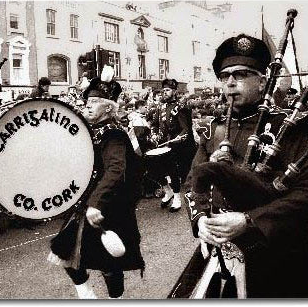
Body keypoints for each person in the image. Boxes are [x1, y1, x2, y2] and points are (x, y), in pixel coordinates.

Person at [170, 33, 308, 298]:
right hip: (218, 251)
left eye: (242, 74)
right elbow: (192, 181)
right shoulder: (214, 129)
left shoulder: (292, 129)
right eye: (225, 76)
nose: (230, 82)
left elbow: (303, 194)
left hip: (274, 254)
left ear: (262, 82)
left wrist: (249, 221)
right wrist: (199, 220)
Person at [48, 77, 145, 299]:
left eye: (94, 101)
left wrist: (96, 203)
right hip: (87, 203)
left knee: (109, 263)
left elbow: (116, 170)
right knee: (65, 251)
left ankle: (115, 300)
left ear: (108, 107)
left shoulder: (113, 133)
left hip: (107, 206)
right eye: (87, 101)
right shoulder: (89, 131)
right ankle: (87, 295)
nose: (88, 105)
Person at [151, 78, 196, 212]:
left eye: (168, 90)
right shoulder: (160, 107)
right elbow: (154, 124)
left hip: (176, 146)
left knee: (172, 170)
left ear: (174, 91)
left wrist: (177, 138)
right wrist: (153, 133)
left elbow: (185, 129)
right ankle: (167, 190)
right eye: (163, 90)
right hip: (162, 144)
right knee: (153, 167)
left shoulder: (180, 108)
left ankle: (177, 197)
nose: (165, 92)